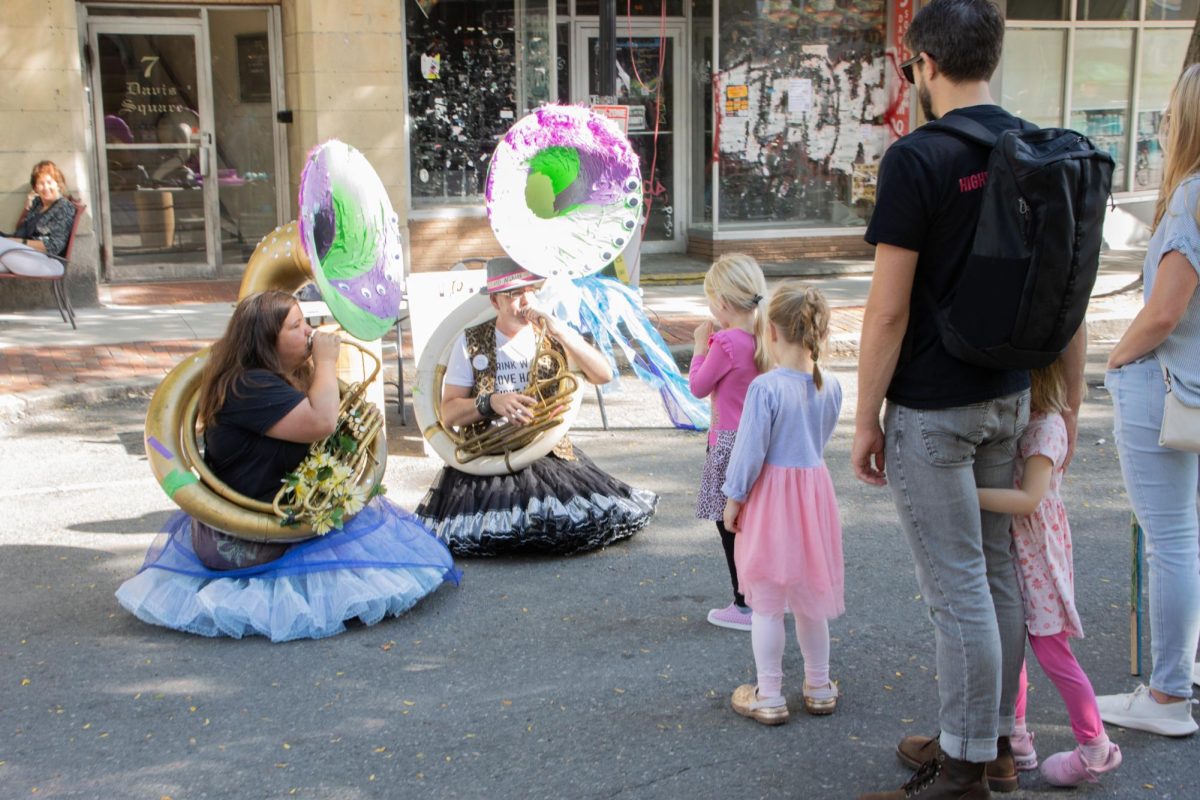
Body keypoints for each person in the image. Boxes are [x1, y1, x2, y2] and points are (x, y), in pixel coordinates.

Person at [852, 2, 1086, 797]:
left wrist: (864, 420)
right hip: (1011, 395)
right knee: (994, 580)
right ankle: (993, 747)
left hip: (934, 406)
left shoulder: (917, 160)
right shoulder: (1034, 150)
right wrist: (1072, 404)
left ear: (921, 64)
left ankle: (963, 769)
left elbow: (885, 310)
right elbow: (1068, 287)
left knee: (959, 592)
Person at [116, 290, 459, 641]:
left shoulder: (276, 377)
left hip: (282, 513)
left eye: (305, 323)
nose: (310, 333)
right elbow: (321, 422)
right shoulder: (248, 385)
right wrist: (326, 362)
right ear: (266, 342)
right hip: (251, 533)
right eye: (296, 326)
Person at [415, 256, 657, 556]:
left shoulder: (551, 334)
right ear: (495, 302)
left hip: (544, 450)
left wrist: (562, 332)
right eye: (514, 294)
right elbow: (448, 413)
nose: (525, 300)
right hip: (487, 453)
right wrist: (491, 403)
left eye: (530, 290)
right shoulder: (469, 342)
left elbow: (603, 374)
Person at [1097, 63, 1200, 738]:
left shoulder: (1192, 196)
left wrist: (1116, 357)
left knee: (1171, 541)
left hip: (1167, 387)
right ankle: (1181, 677)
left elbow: (1164, 311)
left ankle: (1166, 696)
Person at [974, 358, 1122, 786]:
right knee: (1013, 638)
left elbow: (1029, 499)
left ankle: (1095, 745)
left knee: (1052, 650)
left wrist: (967, 491)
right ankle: (1016, 734)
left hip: (1040, 557)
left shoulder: (1046, 429)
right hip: (1021, 550)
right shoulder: (1031, 422)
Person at [722, 283, 844, 725]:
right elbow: (820, 440)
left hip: (773, 500)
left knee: (769, 602)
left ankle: (770, 694)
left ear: (770, 333)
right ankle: (818, 685)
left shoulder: (766, 388)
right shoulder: (831, 386)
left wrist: (733, 500)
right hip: (813, 498)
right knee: (811, 598)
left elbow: (749, 451)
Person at [689, 253, 770, 632]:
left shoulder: (725, 343)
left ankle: (744, 604)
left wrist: (698, 349)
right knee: (756, 523)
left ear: (721, 302)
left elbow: (698, 387)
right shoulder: (764, 336)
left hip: (726, 444)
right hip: (759, 440)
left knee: (730, 525)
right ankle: (765, 595)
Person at [0, 161, 77, 278]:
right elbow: (21, 229)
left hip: (48, 262)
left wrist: (18, 242)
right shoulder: (38, 204)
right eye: (40, 183)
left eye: (49, 182)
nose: (45, 187)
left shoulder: (63, 207)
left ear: (58, 184)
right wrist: (27, 208)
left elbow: (54, 246)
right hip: (23, 255)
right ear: (35, 187)